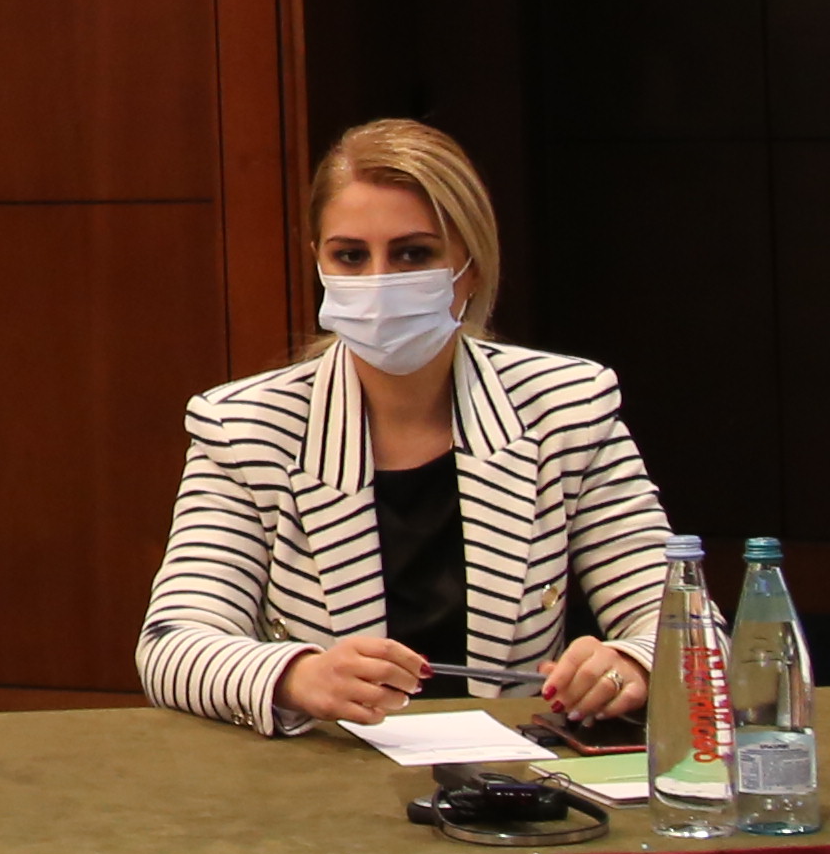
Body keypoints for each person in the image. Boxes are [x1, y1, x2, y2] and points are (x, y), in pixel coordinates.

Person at [138, 116, 669, 736]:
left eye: (414, 254)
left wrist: (629, 663)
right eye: (350, 256)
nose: (379, 281)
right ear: (318, 263)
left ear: (471, 267)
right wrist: (298, 676)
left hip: (515, 770)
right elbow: (172, 646)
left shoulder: (566, 406)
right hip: (329, 772)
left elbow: (679, 623)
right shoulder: (245, 426)